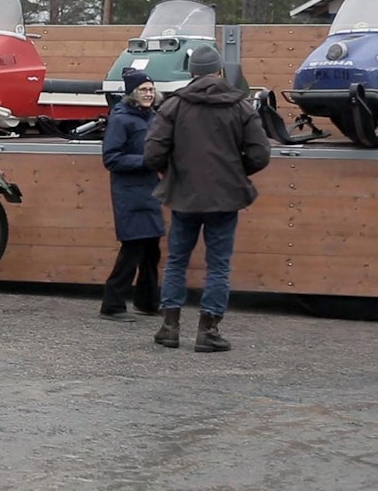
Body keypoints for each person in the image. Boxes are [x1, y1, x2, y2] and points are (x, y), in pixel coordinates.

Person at [143, 45, 271, 352]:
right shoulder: (240, 106)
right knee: (218, 265)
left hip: (183, 195)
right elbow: (260, 154)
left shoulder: (174, 106)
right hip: (225, 197)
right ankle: (208, 331)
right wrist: (236, 172)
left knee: (176, 262)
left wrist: (171, 172)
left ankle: (170, 328)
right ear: (220, 71)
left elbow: (152, 153)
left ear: (191, 72)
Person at [99, 68, 164, 323]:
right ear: (132, 94)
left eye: (151, 89)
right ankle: (112, 304)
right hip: (129, 193)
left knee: (151, 249)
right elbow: (111, 158)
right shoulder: (121, 119)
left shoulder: (151, 117)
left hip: (149, 190)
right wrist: (147, 161)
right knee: (133, 248)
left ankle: (147, 302)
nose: (149, 93)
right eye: (143, 90)